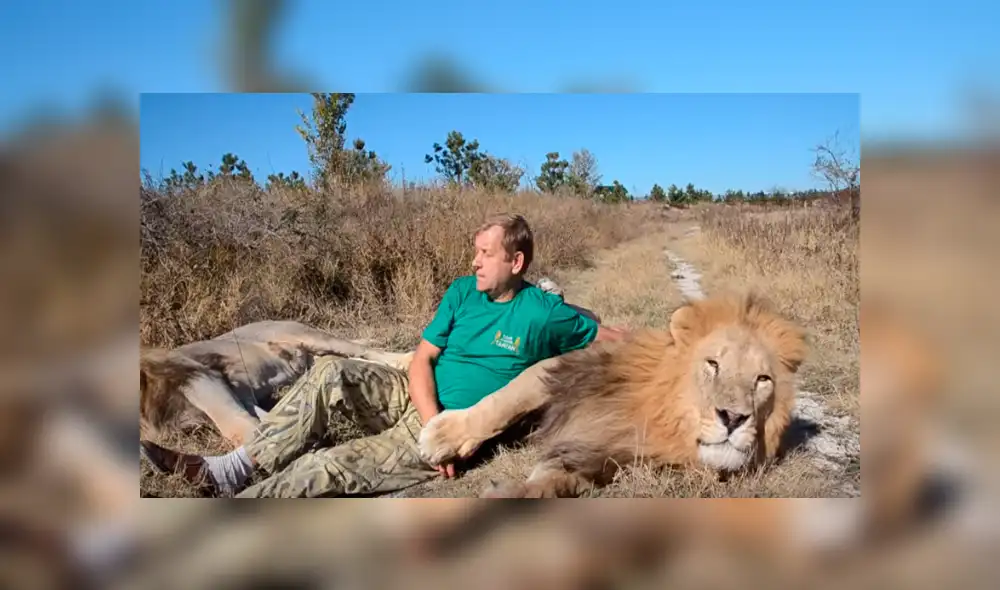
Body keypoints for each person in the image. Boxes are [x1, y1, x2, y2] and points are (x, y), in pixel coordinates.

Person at [140, 213, 626, 497]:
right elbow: (421, 360)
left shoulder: (544, 314)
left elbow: (610, 337)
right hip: (422, 405)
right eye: (474, 251)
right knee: (330, 373)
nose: (474, 261)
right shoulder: (461, 292)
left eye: (484, 253)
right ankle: (232, 470)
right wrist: (433, 419)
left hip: (461, 425)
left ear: (515, 262)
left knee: (325, 467)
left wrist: (447, 436)